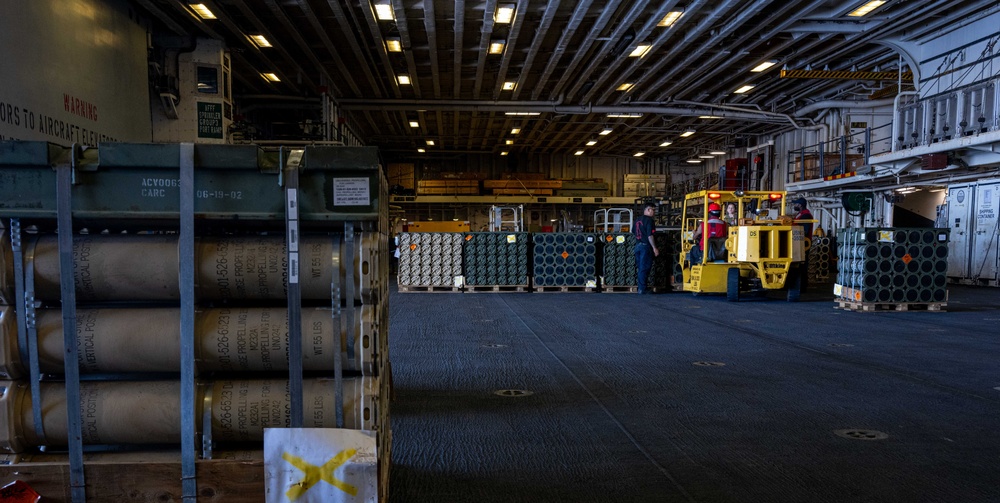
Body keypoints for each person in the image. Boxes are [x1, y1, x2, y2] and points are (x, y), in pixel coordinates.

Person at [632, 202, 659, 294]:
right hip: (645, 247)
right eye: (653, 210)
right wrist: (654, 247)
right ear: (648, 210)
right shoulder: (649, 221)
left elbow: (633, 232)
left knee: (641, 268)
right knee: (645, 268)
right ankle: (642, 289)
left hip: (638, 246)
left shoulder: (637, 220)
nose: (654, 212)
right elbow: (650, 236)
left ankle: (641, 287)